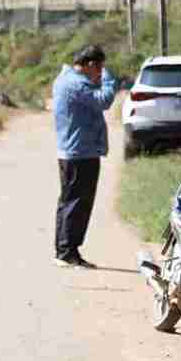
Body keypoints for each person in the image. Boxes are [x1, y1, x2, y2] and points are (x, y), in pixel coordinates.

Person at [51, 43, 122, 269]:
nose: (100, 75)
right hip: (79, 152)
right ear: (90, 65)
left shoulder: (67, 80)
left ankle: (66, 250)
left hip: (77, 150)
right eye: (99, 69)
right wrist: (110, 81)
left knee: (72, 201)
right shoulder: (75, 84)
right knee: (76, 203)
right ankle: (67, 252)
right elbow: (103, 100)